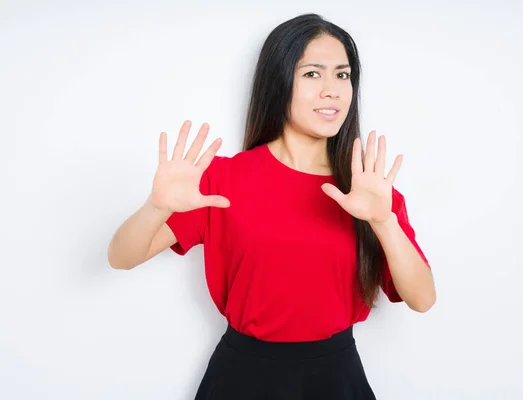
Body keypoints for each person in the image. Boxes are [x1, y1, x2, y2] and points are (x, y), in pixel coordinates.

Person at [107, 13, 436, 400]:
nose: (332, 90)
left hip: (335, 375)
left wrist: (384, 222)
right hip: (243, 377)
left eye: (342, 75)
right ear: (279, 82)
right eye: (313, 74)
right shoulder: (222, 180)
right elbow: (121, 258)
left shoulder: (369, 191)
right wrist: (156, 206)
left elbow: (422, 299)